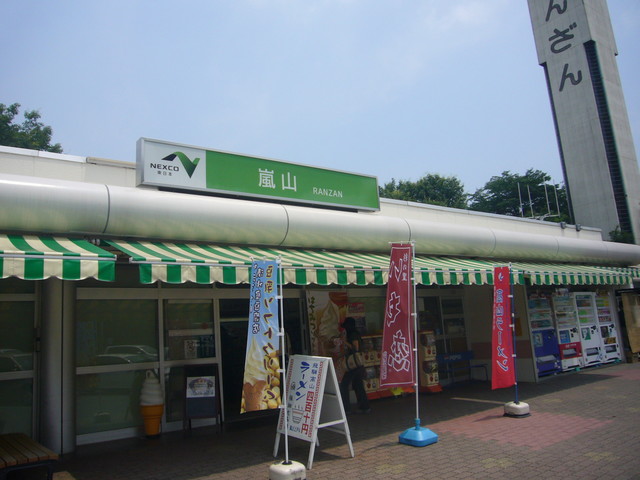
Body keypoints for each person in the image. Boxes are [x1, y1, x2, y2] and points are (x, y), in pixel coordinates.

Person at [339, 317, 371, 414]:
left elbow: (355, 348)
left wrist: (344, 341)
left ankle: (346, 408)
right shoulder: (355, 333)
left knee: (344, 385)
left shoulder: (352, 334)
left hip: (353, 364)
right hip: (357, 364)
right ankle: (364, 407)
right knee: (358, 385)